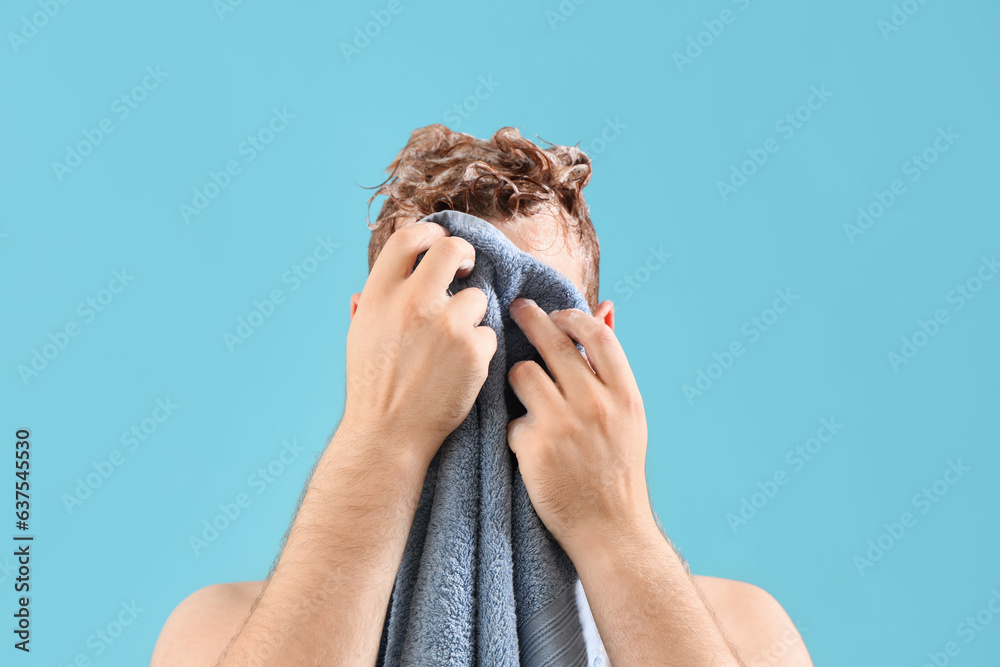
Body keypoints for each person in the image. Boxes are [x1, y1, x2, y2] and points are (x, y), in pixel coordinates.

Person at [151, 125, 813, 666]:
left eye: (529, 334)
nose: (484, 385)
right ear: (366, 336)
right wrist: (381, 441)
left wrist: (615, 524)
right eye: (439, 330)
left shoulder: (743, 629)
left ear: (599, 342)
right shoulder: (219, 630)